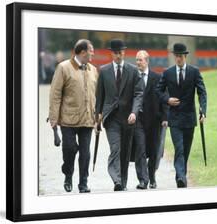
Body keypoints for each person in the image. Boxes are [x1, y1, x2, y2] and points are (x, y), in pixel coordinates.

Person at [48, 39, 98, 193]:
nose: (93, 53)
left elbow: (97, 95)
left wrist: (98, 116)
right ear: (83, 52)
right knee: (69, 150)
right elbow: (55, 94)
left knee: (86, 154)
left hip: (87, 120)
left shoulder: (93, 70)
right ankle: (68, 173)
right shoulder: (63, 68)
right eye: (91, 50)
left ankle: (83, 183)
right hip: (68, 120)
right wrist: (54, 120)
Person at [155, 43, 207, 188]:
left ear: (185, 56)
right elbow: (158, 91)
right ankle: (181, 178)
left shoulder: (194, 72)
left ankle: (180, 174)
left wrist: (203, 110)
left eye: (180, 56)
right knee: (179, 148)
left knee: (186, 149)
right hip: (175, 118)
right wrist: (167, 99)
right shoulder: (168, 73)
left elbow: (202, 92)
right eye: (176, 56)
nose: (178, 58)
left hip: (189, 118)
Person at [95, 39, 144, 191]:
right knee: (115, 148)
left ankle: (122, 182)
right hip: (111, 118)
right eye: (115, 53)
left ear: (124, 53)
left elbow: (139, 93)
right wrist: (97, 118)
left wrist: (134, 112)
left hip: (128, 118)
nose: (118, 55)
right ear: (112, 53)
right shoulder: (103, 71)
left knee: (125, 151)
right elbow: (100, 96)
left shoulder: (133, 70)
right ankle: (116, 179)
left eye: (121, 52)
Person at [132, 50, 168, 189]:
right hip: (138, 119)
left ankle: (151, 176)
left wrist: (165, 117)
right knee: (140, 149)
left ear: (147, 61)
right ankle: (143, 180)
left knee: (154, 151)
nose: (138, 63)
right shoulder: (133, 77)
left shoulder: (158, 78)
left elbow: (164, 98)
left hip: (155, 119)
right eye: (136, 60)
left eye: (140, 60)